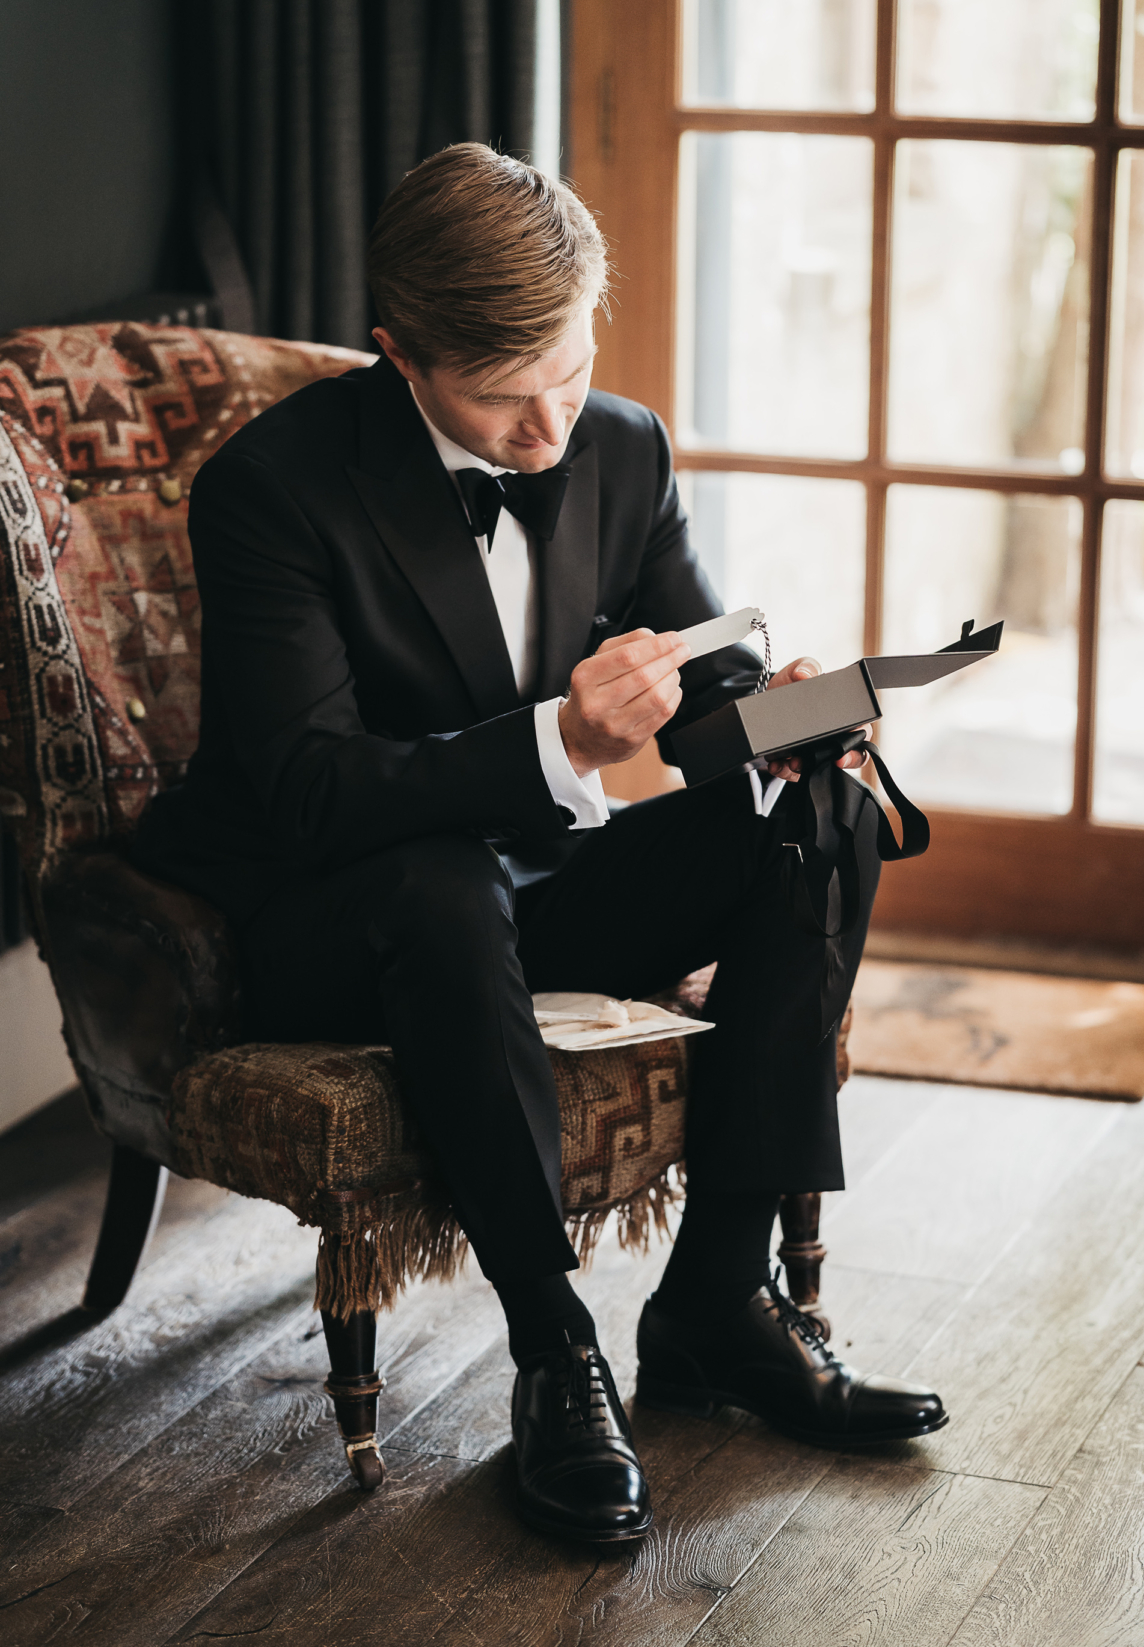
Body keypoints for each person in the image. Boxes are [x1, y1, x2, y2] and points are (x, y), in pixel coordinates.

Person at [131, 143, 946, 1548]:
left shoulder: (623, 443)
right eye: (505, 394)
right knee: (443, 882)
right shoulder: (272, 488)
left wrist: (785, 718)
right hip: (336, 915)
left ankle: (715, 1306)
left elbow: (700, 702)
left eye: (568, 368)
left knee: (819, 806)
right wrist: (558, 743)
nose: (550, 423)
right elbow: (310, 795)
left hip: (536, 883)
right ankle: (554, 1351)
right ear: (401, 355)